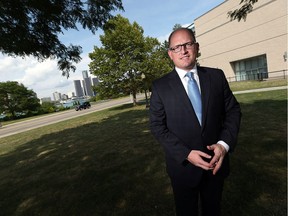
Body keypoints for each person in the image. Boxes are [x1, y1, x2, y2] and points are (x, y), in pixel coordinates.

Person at [149, 28, 241, 216]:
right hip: (183, 168)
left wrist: (223, 145)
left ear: (196, 47)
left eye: (188, 44)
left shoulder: (216, 77)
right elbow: (157, 126)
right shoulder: (160, 87)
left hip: (215, 163)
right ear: (170, 54)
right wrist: (186, 154)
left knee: (213, 210)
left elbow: (233, 111)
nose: (183, 50)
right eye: (176, 47)